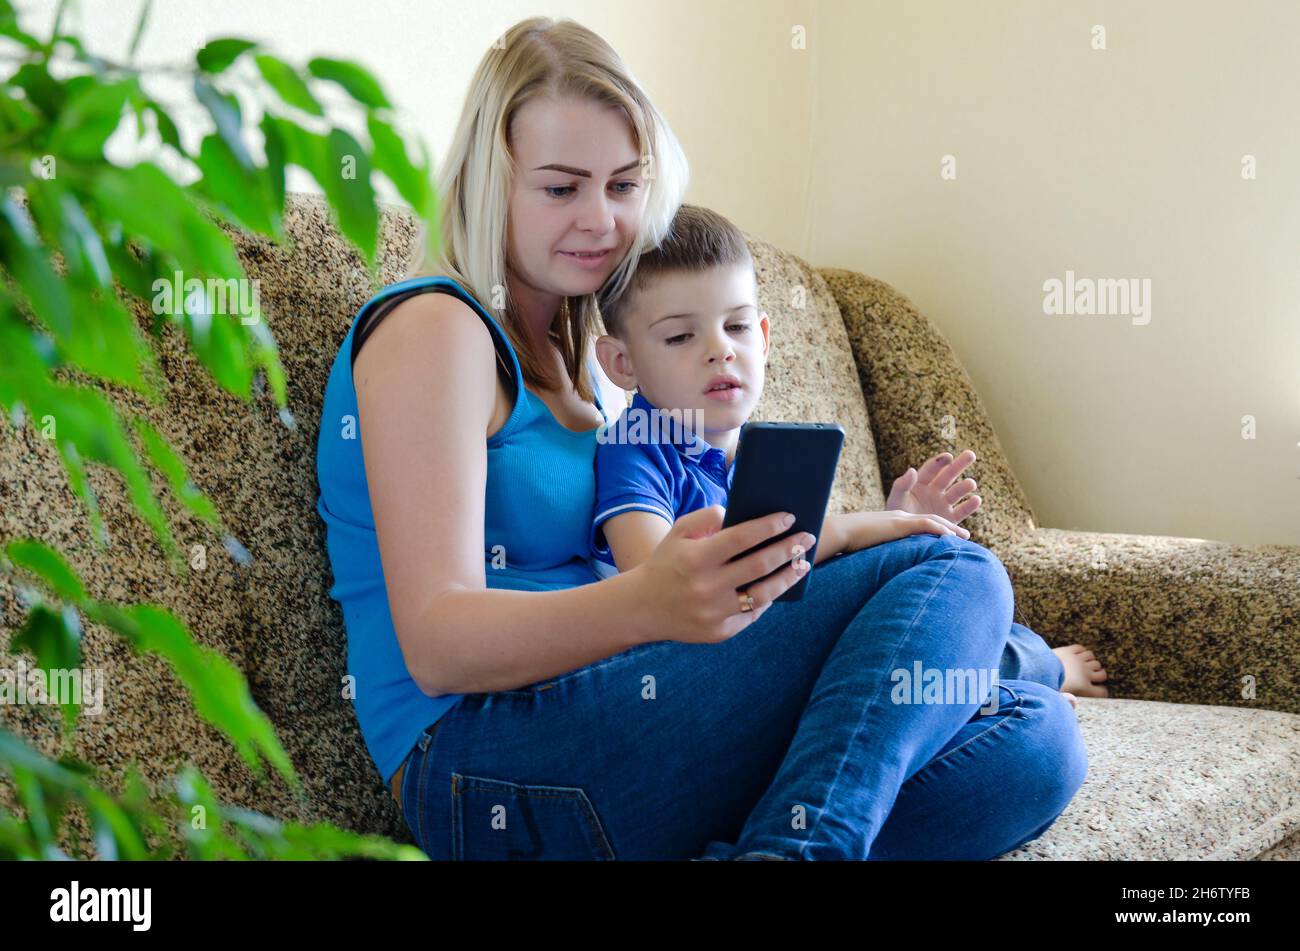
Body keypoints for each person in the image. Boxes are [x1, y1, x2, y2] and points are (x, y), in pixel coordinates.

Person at [315, 15, 1090, 860]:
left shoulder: (593, 366)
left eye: (623, 185)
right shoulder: (438, 326)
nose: (601, 220)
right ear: (490, 180)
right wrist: (650, 600)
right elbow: (437, 644)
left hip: (619, 720)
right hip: (484, 763)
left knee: (1037, 741)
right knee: (952, 568)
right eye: (560, 187)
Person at [588, 203, 1110, 701]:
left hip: (769, 642)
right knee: (916, 604)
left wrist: (887, 529)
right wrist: (869, 530)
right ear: (622, 363)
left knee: (938, 595)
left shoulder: (763, 454)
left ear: (765, 339)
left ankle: (996, 686)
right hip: (696, 670)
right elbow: (652, 578)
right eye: (681, 336)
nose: (720, 349)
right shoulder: (634, 446)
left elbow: (797, 572)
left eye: (738, 326)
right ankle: (1039, 671)